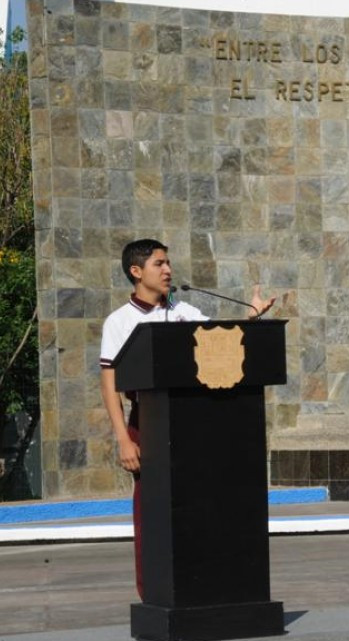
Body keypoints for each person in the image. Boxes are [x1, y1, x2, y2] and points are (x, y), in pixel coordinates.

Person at [98, 238, 275, 598]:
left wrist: (251, 318)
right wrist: (123, 439)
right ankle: (153, 593)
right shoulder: (119, 321)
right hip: (147, 422)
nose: (167, 270)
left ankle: (201, 587)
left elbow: (223, 343)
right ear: (136, 271)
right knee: (151, 511)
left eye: (168, 263)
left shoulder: (183, 311)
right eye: (158, 264)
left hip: (194, 427)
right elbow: (109, 386)